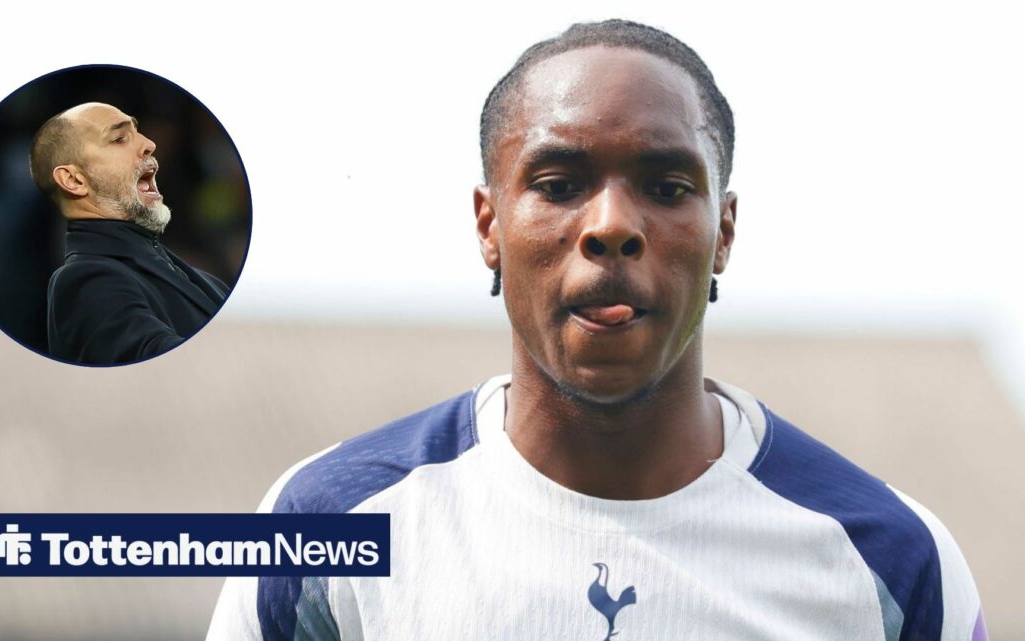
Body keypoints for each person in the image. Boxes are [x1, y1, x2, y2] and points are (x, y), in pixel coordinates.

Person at [208, 20, 986, 641]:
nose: (611, 226)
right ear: (490, 224)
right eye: (560, 184)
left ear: (723, 231)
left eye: (666, 185)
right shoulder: (326, 529)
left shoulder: (890, 560)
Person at [28, 102, 228, 365]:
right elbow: (170, 366)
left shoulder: (210, 283)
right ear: (74, 180)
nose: (149, 143)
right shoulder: (86, 279)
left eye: (138, 132)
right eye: (119, 139)